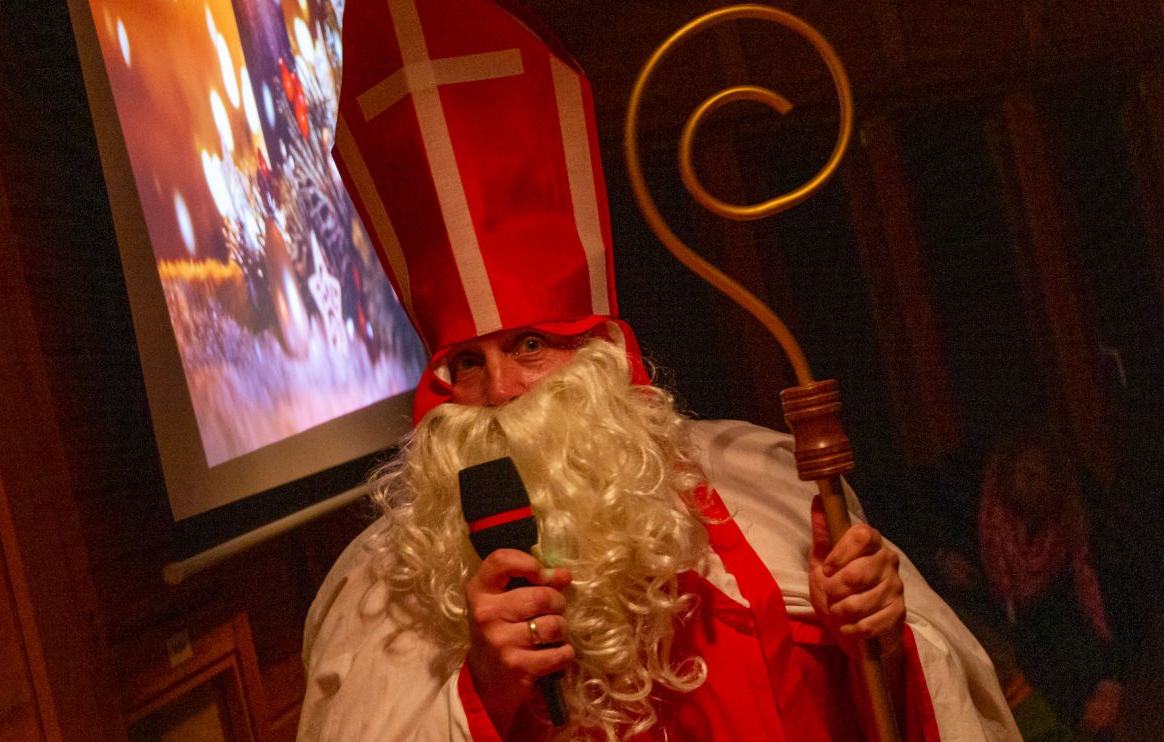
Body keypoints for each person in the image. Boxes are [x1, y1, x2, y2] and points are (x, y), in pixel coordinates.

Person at [299, 0, 1018, 739]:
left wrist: (869, 637)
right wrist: (484, 688)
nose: (502, 394)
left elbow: (918, 701)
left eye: (530, 346)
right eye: (467, 365)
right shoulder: (383, 592)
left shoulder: (760, 482)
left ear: (601, 352)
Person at [977, 426, 1123, 739]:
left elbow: (1104, 606)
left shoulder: (1079, 526)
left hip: (1076, 673)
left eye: (1040, 475)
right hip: (1021, 672)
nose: (1033, 484)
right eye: (1025, 473)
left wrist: (1111, 678)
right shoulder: (981, 527)